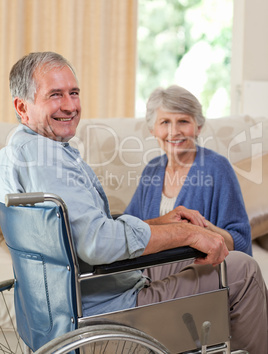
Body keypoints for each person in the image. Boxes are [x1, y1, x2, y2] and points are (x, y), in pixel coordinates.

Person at [0, 52, 267, 353]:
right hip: (103, 299)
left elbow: (101, 232)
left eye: (73, 93)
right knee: (242, 270)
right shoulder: (53, 161)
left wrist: (165, 225)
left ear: (199, 126)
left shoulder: (16, 152)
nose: (70, 105)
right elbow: (100, 241)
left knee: (231, 260)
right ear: (22, 107)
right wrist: (188, 234)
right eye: (55, 95)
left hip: (75, 294)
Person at [125, 85, 252, 255]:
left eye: (183, 121)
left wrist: (200, 228)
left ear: (198, 127)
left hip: (199, 272)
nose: (174, 132)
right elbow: (128, 229)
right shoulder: (152, 170)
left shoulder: (218, 168)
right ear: (153, 130)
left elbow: (240, 242)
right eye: (165, 122)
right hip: (149, 273)